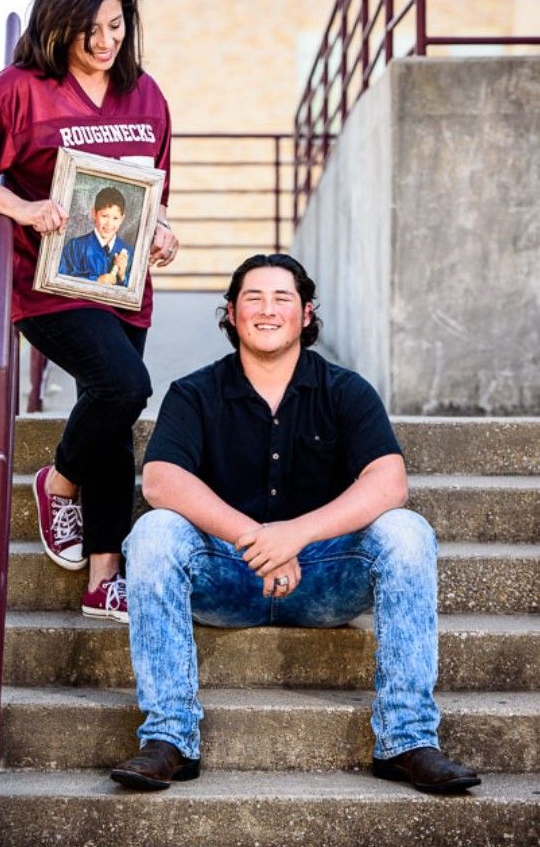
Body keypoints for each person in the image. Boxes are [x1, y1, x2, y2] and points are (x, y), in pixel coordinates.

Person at [111, 253, 481, 794]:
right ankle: (168, 738)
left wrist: (295, 535)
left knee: (408, 531)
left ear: (306, 314)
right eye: (252, 299)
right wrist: (254, 539)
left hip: (326, 581)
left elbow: (389, 483)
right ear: (232, 315)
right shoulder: (194, 392)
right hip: (226, 577)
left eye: (281, 298)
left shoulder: (346, 390)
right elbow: (162, 481)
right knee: (153, 533)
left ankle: (407, 740)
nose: (267, 310)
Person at [0, 0, 179, 622]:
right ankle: (57, 480)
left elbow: (152, 191)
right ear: (58, 25)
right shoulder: (21, 89)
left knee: (112, 410)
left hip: (123, 286)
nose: (105, 42)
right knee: (124, 385)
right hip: (49, 287)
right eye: (89, 29)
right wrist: (22, 207)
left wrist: (161, 231)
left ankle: (104, 575)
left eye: (116, 25)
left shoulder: (146, 95)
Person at [59, 185, 134, 286]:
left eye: (115, 218)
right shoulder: (75, 246)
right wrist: (96, 281)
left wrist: (123, 277)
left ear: (122, 219)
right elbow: (62, 280)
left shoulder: (129, 253)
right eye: (104, 216)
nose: (109, 224)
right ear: (94, 213)